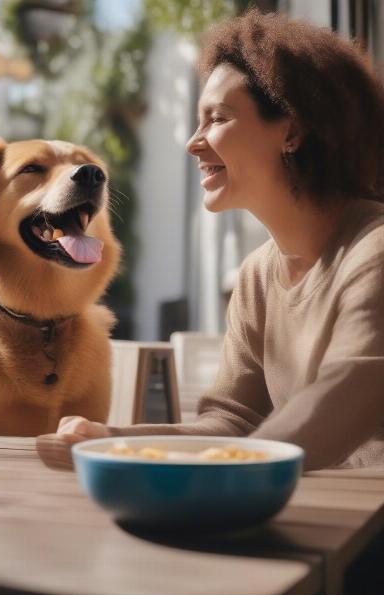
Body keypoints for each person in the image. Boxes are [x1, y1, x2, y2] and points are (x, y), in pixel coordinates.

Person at [43, 9, 384, 472]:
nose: (193, 143)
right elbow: (232, 420)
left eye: (217, 118)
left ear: (292, 131)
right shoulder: (258, 275)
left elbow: (353, 389)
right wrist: (109, 440)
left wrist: (228, 465)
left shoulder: (374, 252)